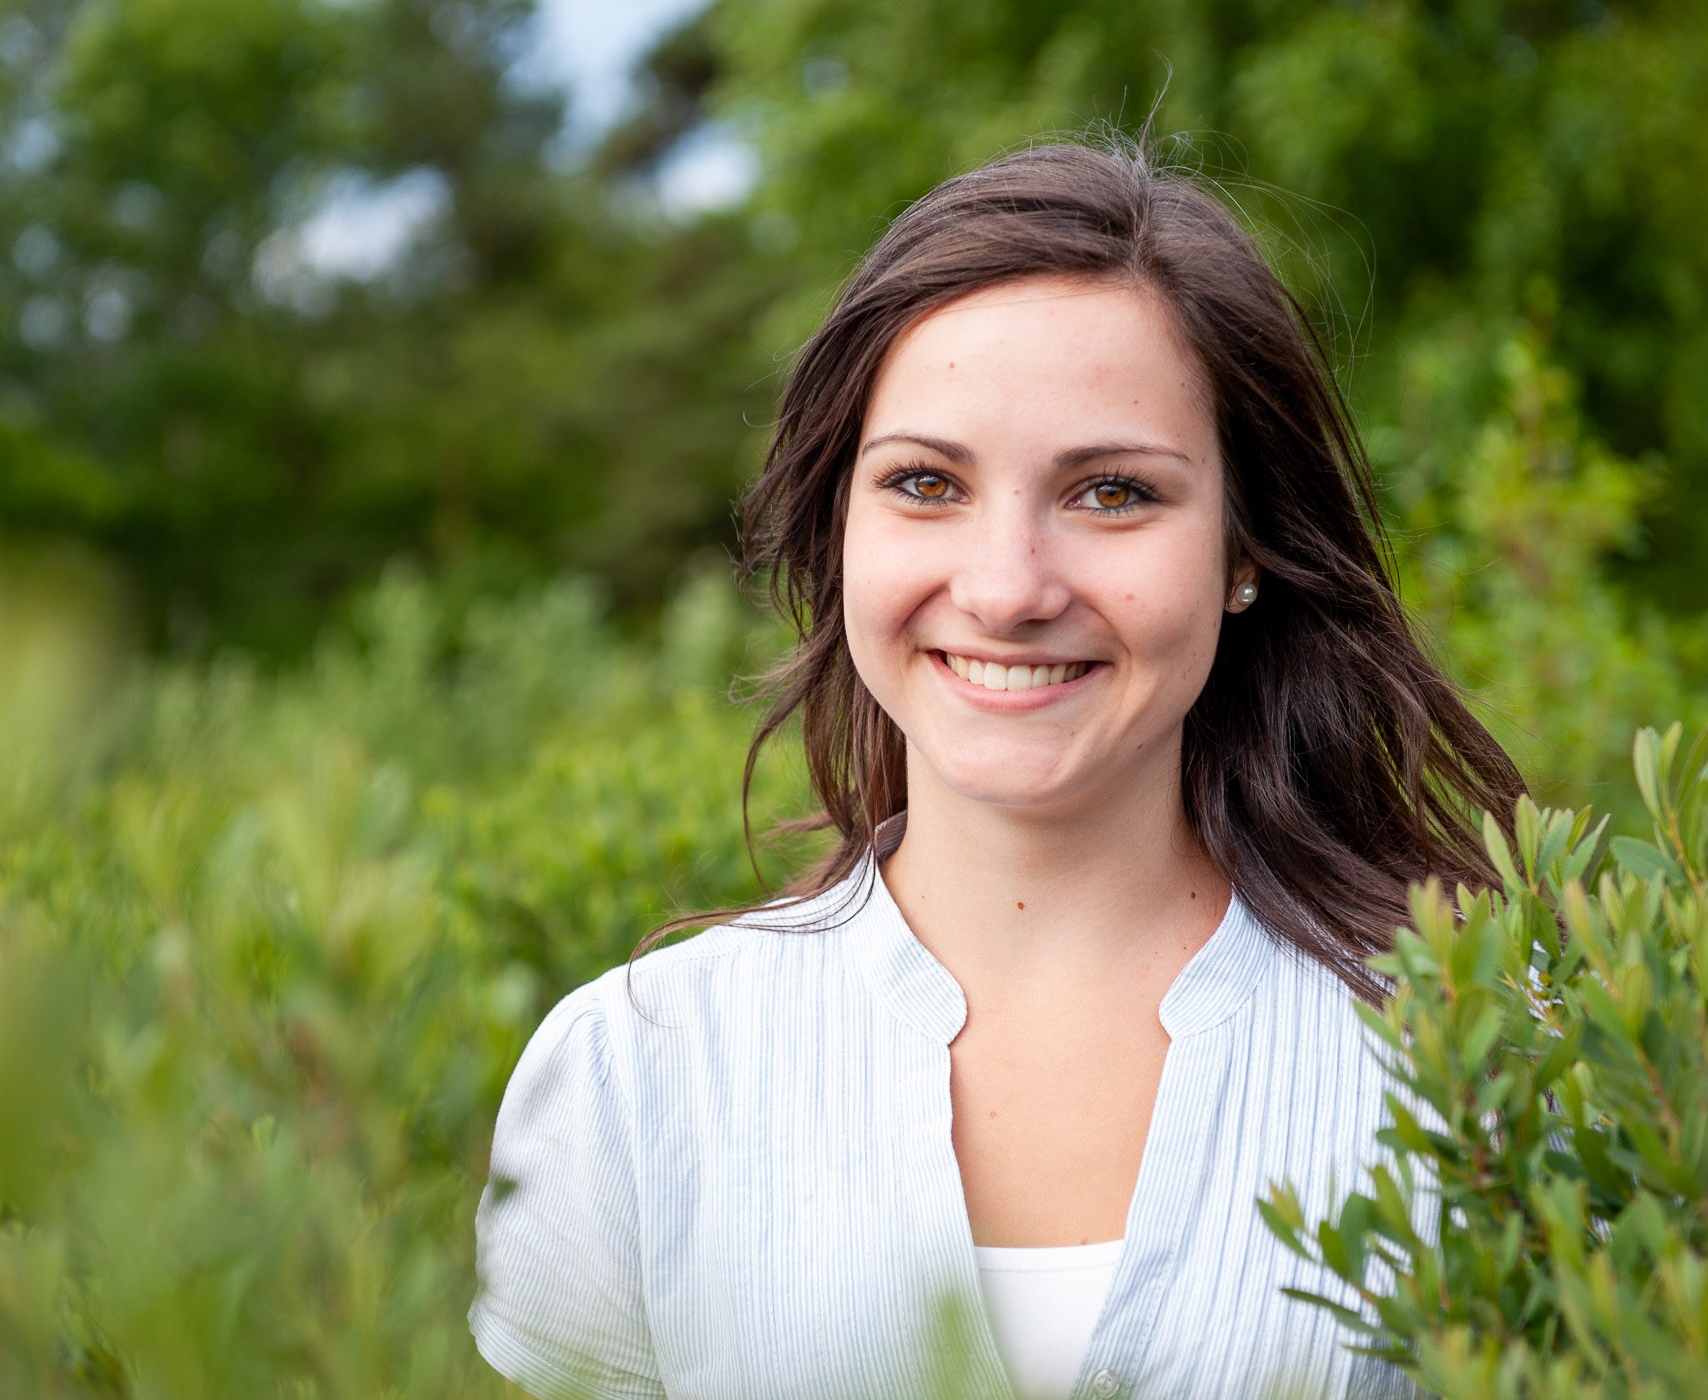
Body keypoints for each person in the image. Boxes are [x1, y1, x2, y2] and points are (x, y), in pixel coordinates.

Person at [468, 139, 1524, 1400]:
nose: (1008, 587)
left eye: (1114, 492)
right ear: (838, 527)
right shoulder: (634, 1078)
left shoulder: (1485, 1062)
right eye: (925, 483)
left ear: (1246, 550)